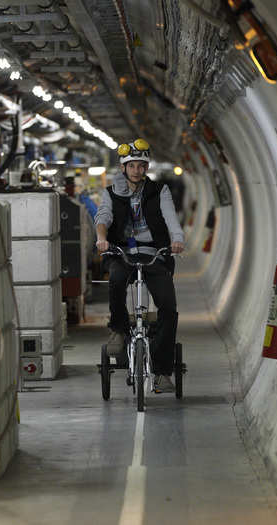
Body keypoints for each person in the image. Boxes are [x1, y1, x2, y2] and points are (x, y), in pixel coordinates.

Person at [95, 139, 185, 393]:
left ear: (146, 167)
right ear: (124, 168)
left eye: (141, 165)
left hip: (154, 252)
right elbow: (103, 216)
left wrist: (177, 240)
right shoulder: (111, 192)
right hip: (121, 251)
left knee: (168, 306)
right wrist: (102, 239)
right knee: (115, 279)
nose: (136, 170)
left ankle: (162, 372)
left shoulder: (160, 191)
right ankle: (119, 330)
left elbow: (170, 217)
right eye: (131, 165)